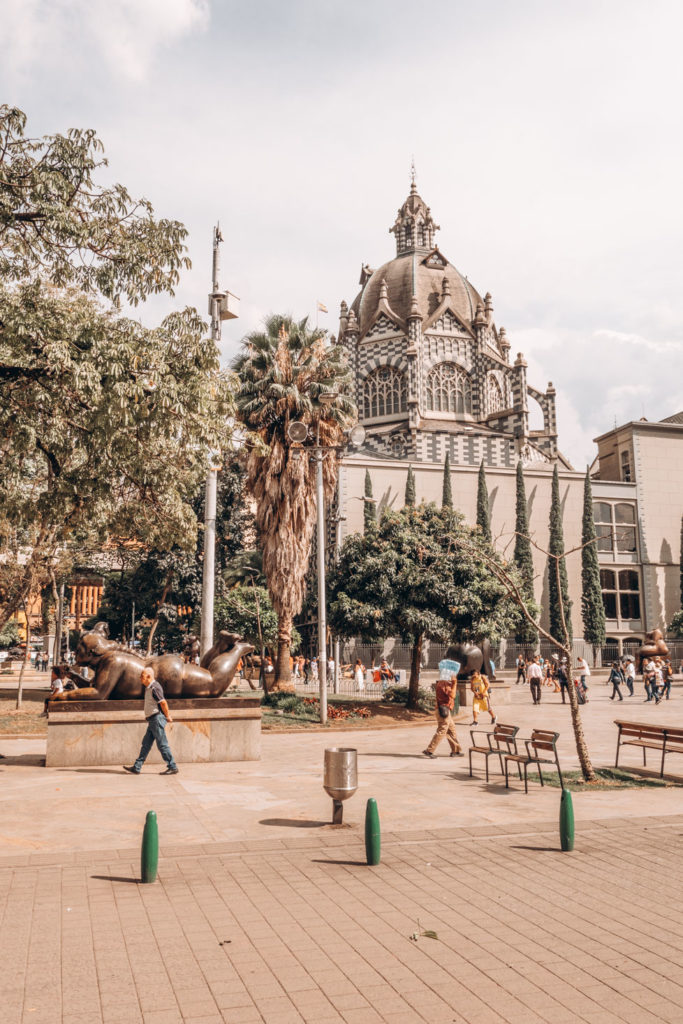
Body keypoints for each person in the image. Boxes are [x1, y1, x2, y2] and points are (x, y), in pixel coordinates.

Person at [123, 666, 178, 775]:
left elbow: (163, 702)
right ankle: (137, 767)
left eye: (142, 676)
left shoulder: (155, 688)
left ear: (148, 676)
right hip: (152, 720)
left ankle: (172, 766)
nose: (140, 678)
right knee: (146, 744)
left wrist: (168, 716)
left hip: (156, 719)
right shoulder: (149, 688)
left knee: (162, 744)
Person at [423, 674, 463, 758]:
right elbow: (452, 695)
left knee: (451, 730)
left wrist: (452, 683)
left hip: (444, 710)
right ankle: (429, 750)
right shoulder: (444, 683)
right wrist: (455, 683)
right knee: (442, 730)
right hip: (443, 711)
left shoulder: (444, 683)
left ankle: (455, 750)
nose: (454, 675)